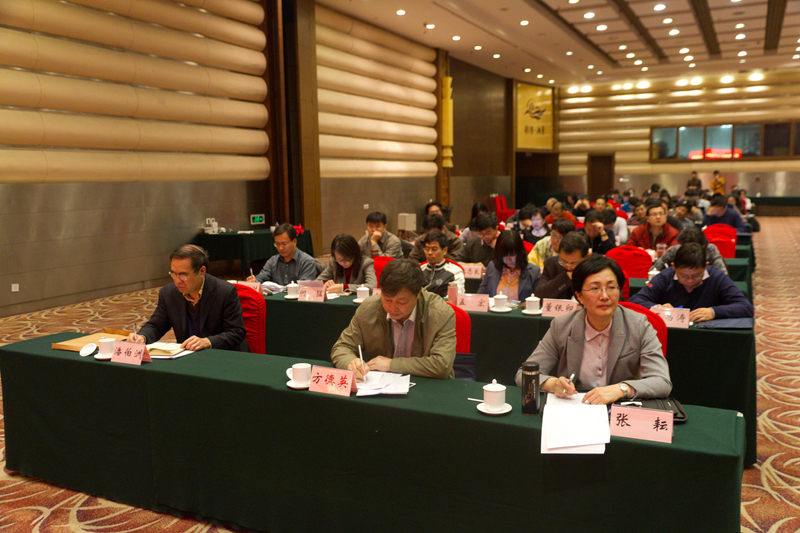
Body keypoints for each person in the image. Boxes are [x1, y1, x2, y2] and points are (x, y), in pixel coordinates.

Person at [514, 254, 672, 404]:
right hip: (576, 405)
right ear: (579, 296)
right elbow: (523, 375)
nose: (604, 296)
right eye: (595, 288)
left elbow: (662, 381)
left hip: (619, 408)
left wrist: (621, 389)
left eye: (611, 287)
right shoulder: (562, 326)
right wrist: (553, 384)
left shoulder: (638, 325)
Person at [330, 259, 456, 380]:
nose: (392, 308)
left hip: (427, 386)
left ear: (418, 293)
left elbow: (441, 364)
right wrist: (351, 363)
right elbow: (342, 347)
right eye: (387, 299)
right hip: (380, 386)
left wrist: (391, 365)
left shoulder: (440, 313)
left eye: (401, 302)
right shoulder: (368, 309)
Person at [128, 245, 248, 352]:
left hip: (223, 356)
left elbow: (236, 332)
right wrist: (142, 337)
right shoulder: (168, 293)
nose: (177, 280)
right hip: (189, 356)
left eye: (183, 275)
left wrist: (207, 342)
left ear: (202, 271)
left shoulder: (225, 292)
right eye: (173, 274)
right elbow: (156, 325)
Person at [630, 243, 753, 322]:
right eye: (683, 275)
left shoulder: (717, 277)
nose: (689, 280)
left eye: (696, 275)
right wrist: (658, 308)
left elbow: (746, 307)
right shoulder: (666, 276)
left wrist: (714, 312)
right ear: (674, 267)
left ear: (705, 267)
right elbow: (634, 301)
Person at [478, 230, 541, 301]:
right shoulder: (492, 267)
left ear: (519, 252)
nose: (508, 259)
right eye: (504, 255)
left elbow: (539, 301)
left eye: (511, 255)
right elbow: (480, 296)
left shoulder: (534, 272)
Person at [248, 223, 317, 285]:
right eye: (277, 244)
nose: (280, 248)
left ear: (294, 242)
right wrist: (254, 281)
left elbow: (304, 287)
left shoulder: (307, 262)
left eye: (284, 244)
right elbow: (261, 277)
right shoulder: (273, 261)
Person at [534, 231, 590, 300]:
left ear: (586, 257)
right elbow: (539, 295)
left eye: (574, 263)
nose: (569, 267)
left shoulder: (593, 268)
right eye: (564, 261)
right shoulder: (551, 264)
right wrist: (565, 278)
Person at [653, 226, 728, 275]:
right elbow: (654, 270)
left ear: (703, 245)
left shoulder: (710, 249)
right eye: (686, 247)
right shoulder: (674, 250)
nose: (690, 251)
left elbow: (723, 274)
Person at [420, 231, 465, 297]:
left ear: (444, 250)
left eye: (434, 249)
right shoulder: (419, 270)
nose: (429, 253)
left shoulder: (455, 271)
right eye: (427, 249)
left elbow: (456, 296)